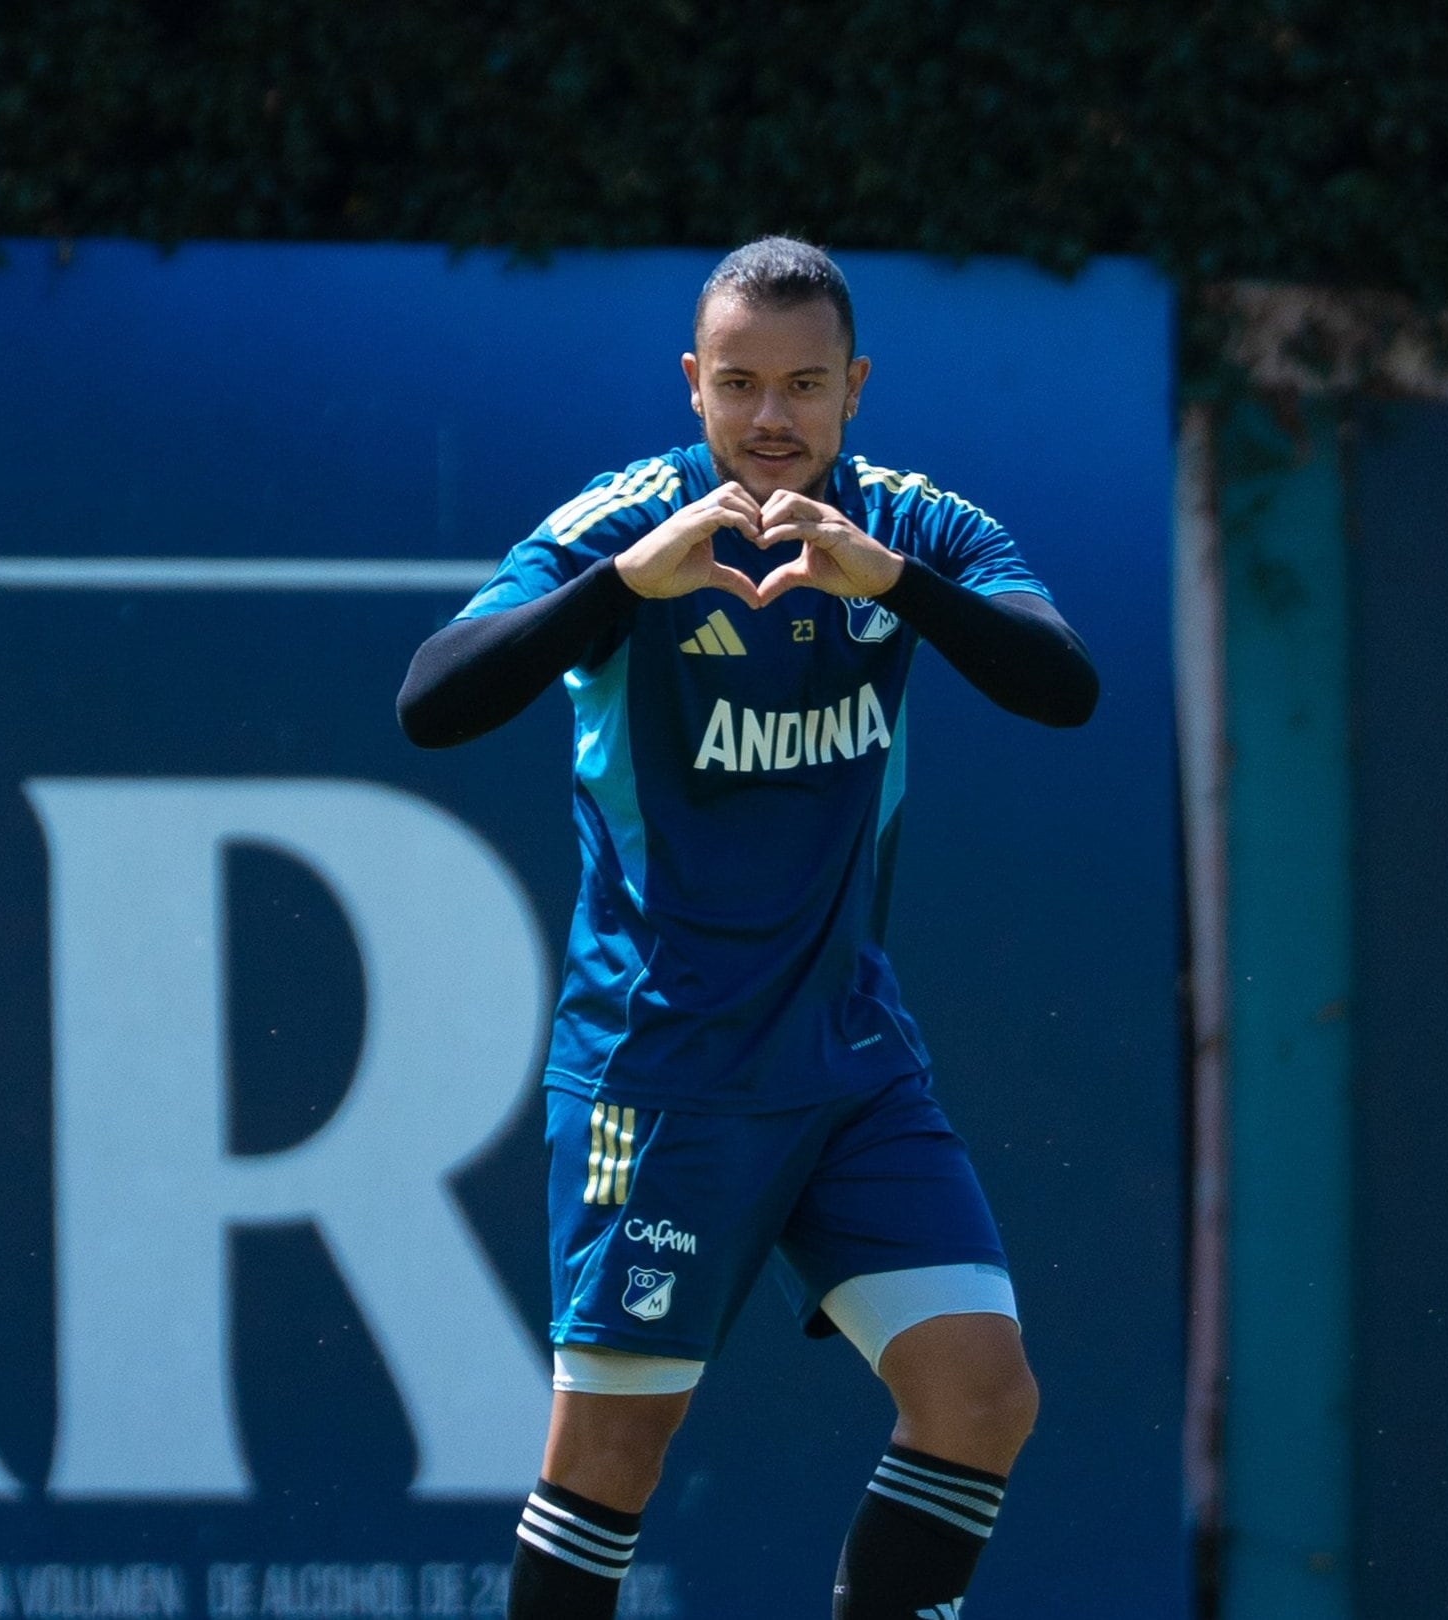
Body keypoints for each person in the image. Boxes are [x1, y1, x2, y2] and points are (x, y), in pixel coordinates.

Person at [397, 236, 1098, 1620]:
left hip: (849, 1056)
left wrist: (891, 585)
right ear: (694, 386)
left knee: (980, 1392)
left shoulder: (916, 530)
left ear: (854, 390)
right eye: (738, 385)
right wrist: (622, 592)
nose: (770, 419)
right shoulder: (626, 526)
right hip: (664, 1070)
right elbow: (432, 700)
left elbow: (1063, 686)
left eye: (802, 386)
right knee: (612, 1453)